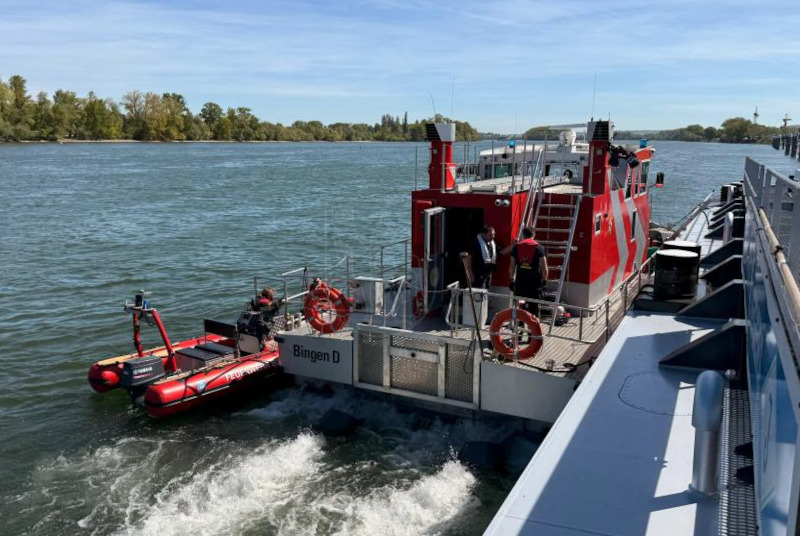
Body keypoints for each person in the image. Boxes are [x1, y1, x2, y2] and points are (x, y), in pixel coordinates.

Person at [509, 226, 548, 316]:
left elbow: (511, 266)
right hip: (535, 284)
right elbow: (544, 268)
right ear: (534, 234)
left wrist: (511, 280)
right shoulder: (539, 248)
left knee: (520, 307)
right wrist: (545, 282)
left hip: (520, 283)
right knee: (534, 308)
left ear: (523, 235)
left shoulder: (516, 247)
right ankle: (533, 328)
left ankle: (519, 327)